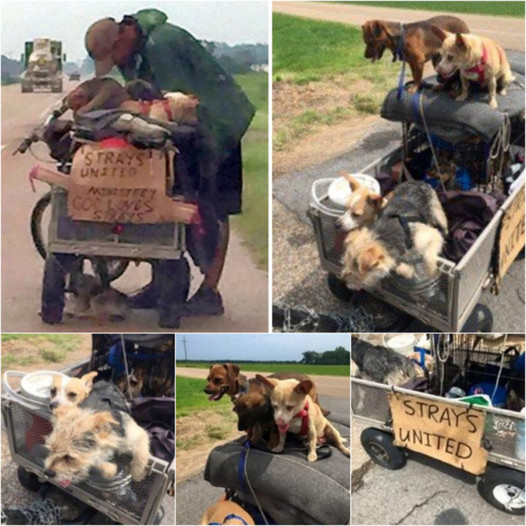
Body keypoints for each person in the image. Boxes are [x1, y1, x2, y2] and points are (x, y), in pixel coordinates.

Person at [84, 9, 255, 316]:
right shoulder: (138, 50)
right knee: (169, 195)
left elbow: (176, 103)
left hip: (221, 126)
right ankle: (161, 285)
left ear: (123, 37)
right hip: (196, 128)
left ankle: (209, 292)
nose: (117, 65)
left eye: (114, 57)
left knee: (214, 207)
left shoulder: (161, 44)